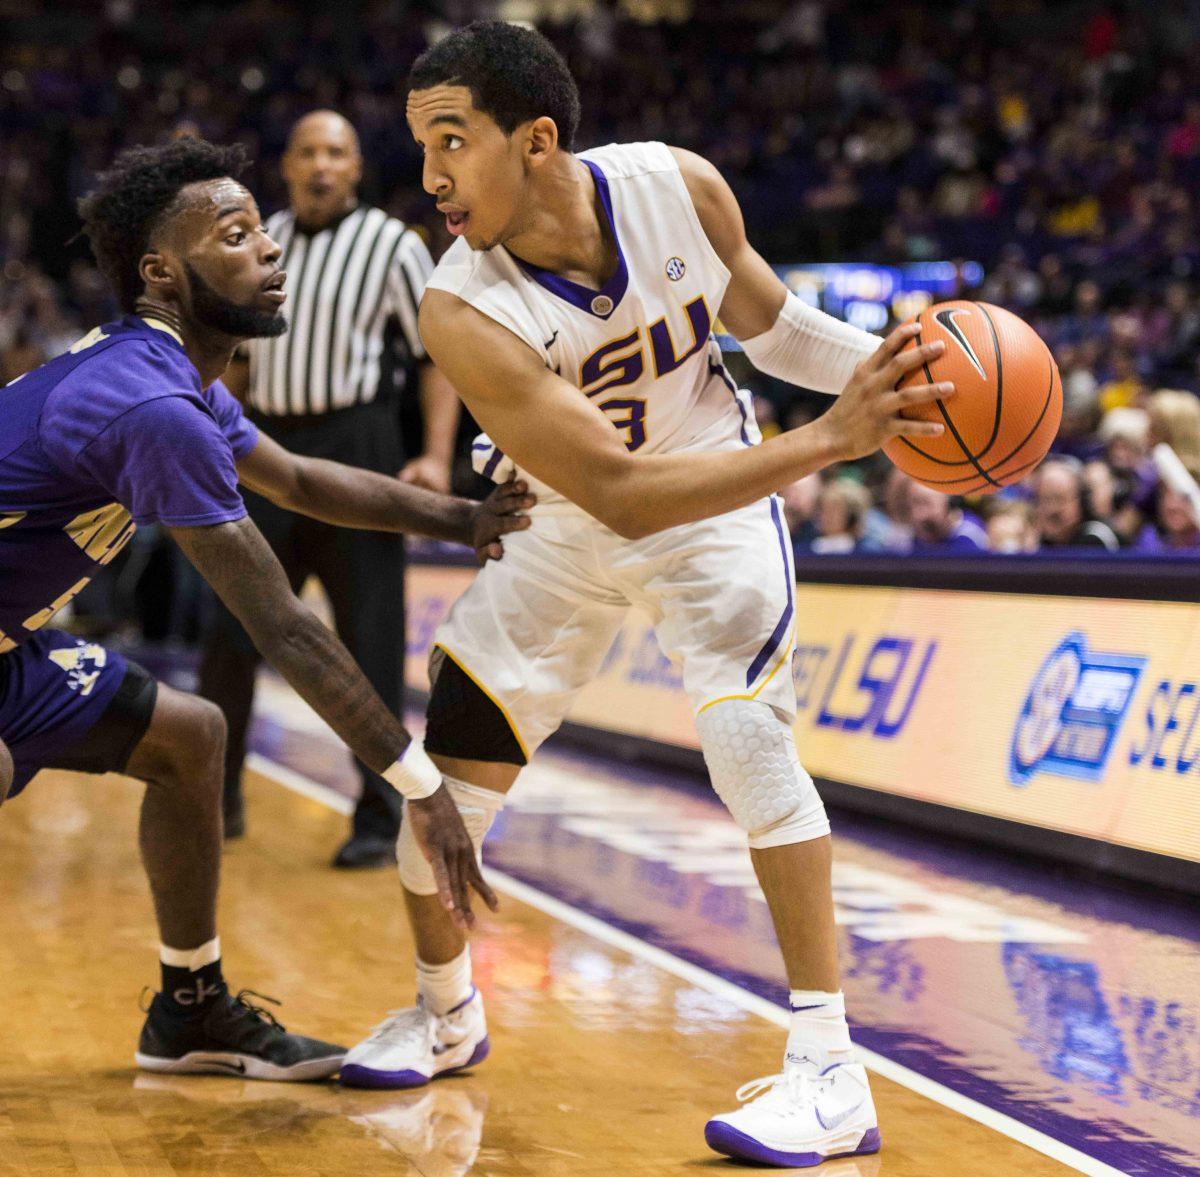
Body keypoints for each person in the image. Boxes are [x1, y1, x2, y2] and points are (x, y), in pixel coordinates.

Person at [340, 23, 957, 1169]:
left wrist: (894, 371)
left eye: (450, 141)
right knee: (440, 811)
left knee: (749, 742)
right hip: (565, 527)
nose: (428, 177)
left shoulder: (678, 185)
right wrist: (833, 440)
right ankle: (444, 1009)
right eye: (419, 143)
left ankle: (831, 1067)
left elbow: (774, 328)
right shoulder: (460, 307)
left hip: (717, 505)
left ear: (535, 141)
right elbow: (618, 495)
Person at [0, 137, 528, 1079]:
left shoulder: (177, 381)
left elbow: (299, 478)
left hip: (11, 646)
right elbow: (283, 626)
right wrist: (422, 788)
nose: (269, 250)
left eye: (262, 232)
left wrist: (465, 516)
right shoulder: (151, 407)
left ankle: (190, 1009)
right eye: (237, 235)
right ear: (163, 272)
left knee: (191, 737)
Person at [198, 111, 460, 864]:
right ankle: (217, 802)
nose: (320, 165)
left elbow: (433, 358)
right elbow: (233, 360)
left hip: (359, 442)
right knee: (230, 633)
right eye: (307, 150)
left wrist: (435, 457)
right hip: (264, 445)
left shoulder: (393, 243)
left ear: (355, 167)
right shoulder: (255, 236)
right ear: (286, 163)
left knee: (369, 637)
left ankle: (378, 819)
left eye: (336, 152)